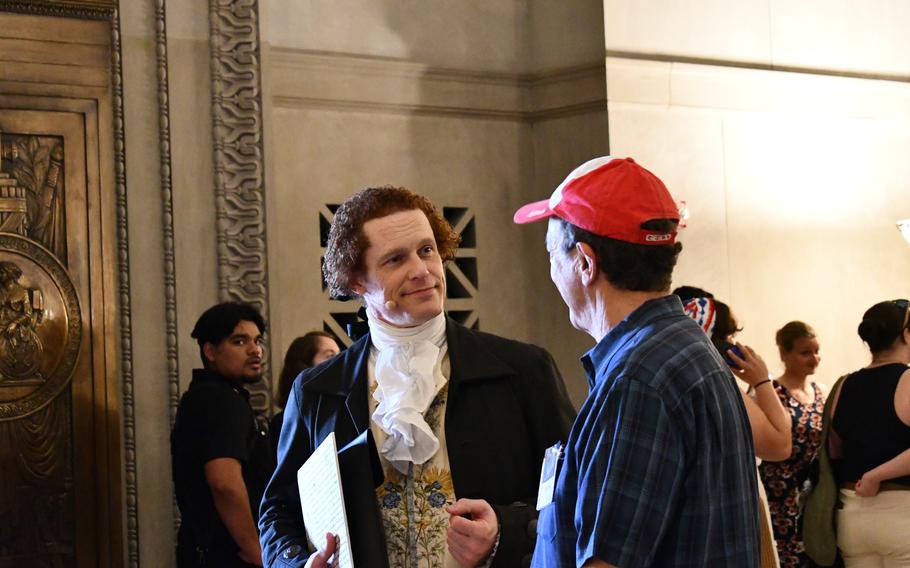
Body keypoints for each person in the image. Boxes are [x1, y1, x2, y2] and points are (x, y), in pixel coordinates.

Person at [259, 185, 575, 567]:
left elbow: (576, 495)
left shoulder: (523, 369)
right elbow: (278, 514)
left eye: (427, 250)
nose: (422, 270)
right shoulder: (316, 390)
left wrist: (503, 531)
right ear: (357, 281)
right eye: (395, 259)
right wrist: (297, 564)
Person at [514, 156, 760, 567]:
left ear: (585, 263)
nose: (553, 273)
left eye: (552, 257)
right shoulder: (682, 346)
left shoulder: (638, 380)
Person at [676, 289, 792, 568]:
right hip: (734, 508)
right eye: (729, 337)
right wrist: (762, 380)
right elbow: (779, 444)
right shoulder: (716, 380)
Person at [171, 302, 275, 567]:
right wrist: (256, 549)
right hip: (228, 557)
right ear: (210, 351)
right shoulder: (220, 400)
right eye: (239, 341)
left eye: (257, 340)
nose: (255, 350)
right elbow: (224, 482)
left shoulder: (211, 396)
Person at [827, 300, 910, 567]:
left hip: (852, 515)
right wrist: (876, 475)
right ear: (905, 335)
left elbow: (835, 450)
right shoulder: (908, 380)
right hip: (901, 514)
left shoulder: (844, 384)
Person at [758, 320, 826, 568]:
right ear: (784, 353)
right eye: (805, 352)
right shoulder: (769, 392)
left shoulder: (822, 391)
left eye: (816, 351)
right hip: (780, 493)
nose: (814, 358)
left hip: (815, 493)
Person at [270, 331, 341, 455]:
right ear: (305, 368)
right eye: (330, 356)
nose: (341, 362)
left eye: (340, 355)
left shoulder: (344, 413)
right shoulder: (282, 423)